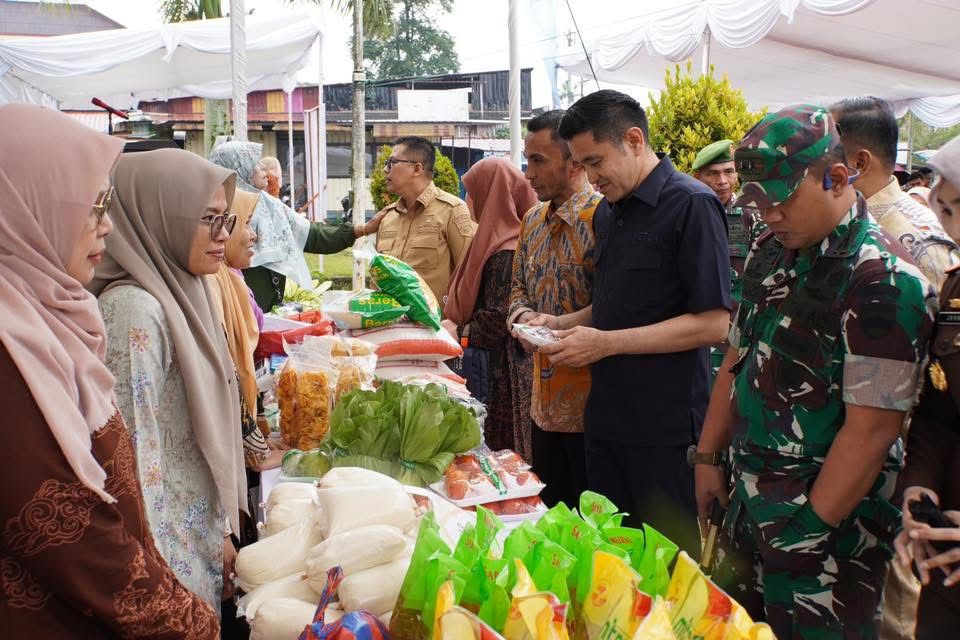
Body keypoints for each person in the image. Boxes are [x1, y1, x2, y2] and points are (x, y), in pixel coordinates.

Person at [696, 105, 936, 639]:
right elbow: (735, 357)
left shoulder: (885, 282)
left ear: (835, 177)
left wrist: (804, 535)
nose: (769, 217)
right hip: (748, 509)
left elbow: (872, 431)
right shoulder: (769, 250)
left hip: (827, 543)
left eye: (781, 202)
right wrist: (709, 458)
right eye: (758, 205)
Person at [0, 104, 218, 637]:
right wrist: (190, 623)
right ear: (28, 208)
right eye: (94, 206)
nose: (108, 225)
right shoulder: (12, 343)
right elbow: (65, 527)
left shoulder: (49, 318)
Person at [538, 90, 731, 557]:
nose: (590, 176)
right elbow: (614, 306)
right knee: (609, 560)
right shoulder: (608, 212)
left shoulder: (692, 205)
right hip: (606, 421)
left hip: (664, 431)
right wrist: (560, 325)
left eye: (596, 161)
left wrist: (606, 343)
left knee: (663, 568)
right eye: (582, 165)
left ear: (634, 139)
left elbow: (714, 324)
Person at [91, 149, 248, 610]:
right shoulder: (134, 310)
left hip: (195, 533)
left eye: (227, 220)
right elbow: (136, 458)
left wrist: (217, 530)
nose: (224, 236)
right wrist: (166, 577)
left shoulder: (186, 289)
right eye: (208, 220)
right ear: (156, 216)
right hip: (165, 559)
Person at [831, 95, 959, 640]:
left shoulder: (911, 235)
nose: (948, 219)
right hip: (917, 470)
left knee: (896, 602)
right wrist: (920, 484)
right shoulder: (851, 224)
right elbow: (941, 398)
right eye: (946, 207)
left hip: (888, 435)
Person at [508, 109, 602, 506]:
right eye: (527, 160)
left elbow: (618, 304)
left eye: (538, 160)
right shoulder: (531, 221)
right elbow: (516, 289)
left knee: (594, 524)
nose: (528, 174)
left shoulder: (603, 218)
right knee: (551, 515)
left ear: (574, 162)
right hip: (541, 406)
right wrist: (522, 319)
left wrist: (558, 325)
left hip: (593, 409)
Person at [895, 133, 960, 640]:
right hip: (946, 554)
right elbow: (939, 412)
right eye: (950, 211)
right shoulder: (956, 290)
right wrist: (919, 489)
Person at [209, 141, 383, 312]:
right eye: (254, 162)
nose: (263, 167)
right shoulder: (220, 214)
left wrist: (361, 230)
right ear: (237, 170)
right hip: (235, 308)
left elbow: (312, 235)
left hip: (269, 314)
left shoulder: (272, 207)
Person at [444, 157, 537, 459]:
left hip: (499, 375)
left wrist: (458, 329)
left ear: (491, 193)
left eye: (471, 191)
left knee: (499, 454)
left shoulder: (505, 250)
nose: (467, 199)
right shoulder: (488, 241)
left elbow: (499, 319)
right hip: (490, 367)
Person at [832, 97, 958, 292]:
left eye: (822, 152)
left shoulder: (921, 246)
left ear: (859, 163)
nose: (809, 164)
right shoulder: (837, 221)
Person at [206, 189, 274, 474]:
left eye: (230, 222)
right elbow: (226, 375)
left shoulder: (228, 278)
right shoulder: (211, 283)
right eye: (245, 223)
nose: (222, 234)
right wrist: (256, 451)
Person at [692, 139, 765, 380]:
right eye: (713, 174)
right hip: (693, 333)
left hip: (737, 334)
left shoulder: (751, 215)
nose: (722, 181)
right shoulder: (686, 215)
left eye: (729, 172)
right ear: (697, 176)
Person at [375, 136, 477, 304]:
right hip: (389, 325)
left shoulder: (452, 210)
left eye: (392, 162)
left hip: (433, 326)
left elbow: (468, 277)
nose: (385, 170)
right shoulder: (387, 217)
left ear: (417, 168)